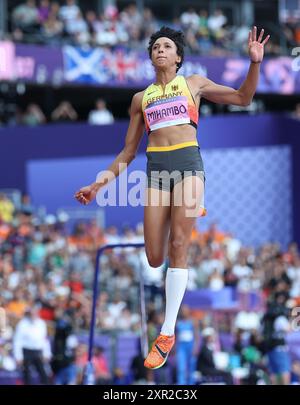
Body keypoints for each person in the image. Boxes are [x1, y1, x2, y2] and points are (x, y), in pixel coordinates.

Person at [75, 25, 270, 370]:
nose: (160, 50)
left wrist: (254, 64)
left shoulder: (193, 83)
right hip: (156, 173)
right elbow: (128, 152)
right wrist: (98, 184)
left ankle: (166, 333)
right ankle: (185, 214)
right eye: (155, 47)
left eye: (166, 47)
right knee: (153, 257)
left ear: (178, 57)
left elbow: (243, 98)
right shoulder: (141, 99)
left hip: (189, 167)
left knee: (179, 245)